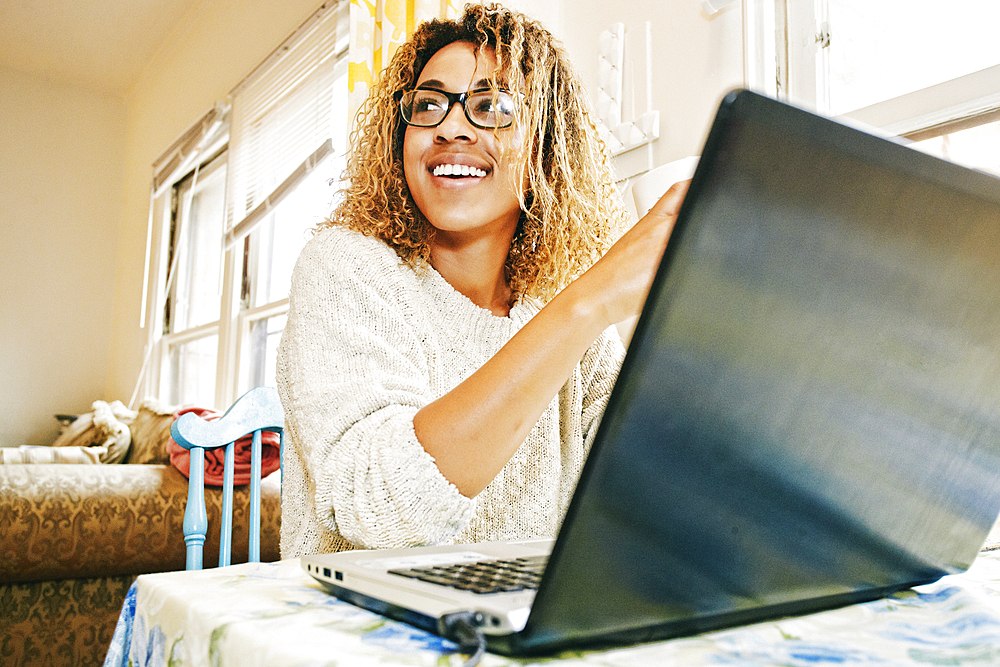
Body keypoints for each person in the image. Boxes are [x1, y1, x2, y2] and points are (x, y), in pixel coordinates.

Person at [276, 2, 687, 558]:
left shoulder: (551, 304)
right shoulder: (345, 268)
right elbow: (379, 511)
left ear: (544, 146)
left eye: (491, 106)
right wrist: (588, 303)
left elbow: (642, 497)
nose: (450, 127)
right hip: (356, 632)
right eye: (428, 105)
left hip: (513, 627)